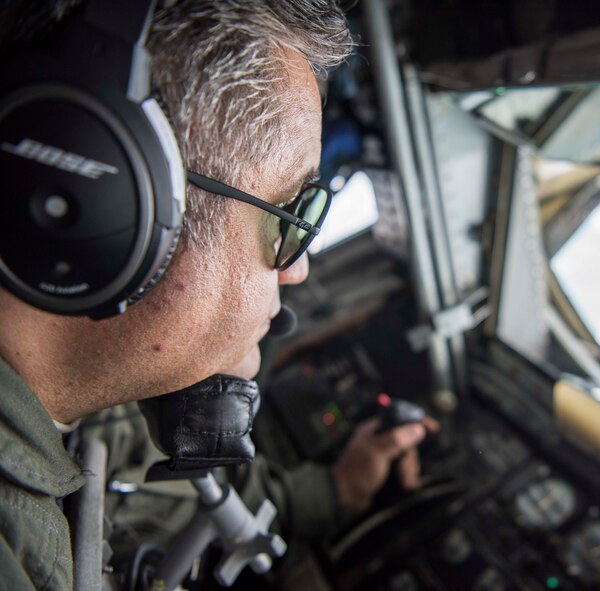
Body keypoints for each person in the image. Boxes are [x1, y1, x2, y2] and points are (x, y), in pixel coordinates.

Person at [0, 2, 434, 589]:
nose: (298, 270)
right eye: (292, 215)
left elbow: (156, 494)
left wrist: (334, 491)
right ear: (109, 195)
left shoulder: (103, 414)